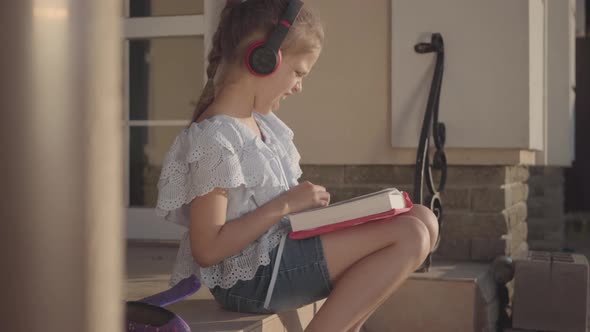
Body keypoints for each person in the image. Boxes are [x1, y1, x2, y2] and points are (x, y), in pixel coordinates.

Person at [155, 1, 439, 331]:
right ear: (263, 59)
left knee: (423, 218)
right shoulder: (214, 138)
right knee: (410, 233)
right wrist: (287, 204)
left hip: (279, 258)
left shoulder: (262, 124)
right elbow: (207, 248)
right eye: (298, 72)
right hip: (250, 280)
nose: (298, 86)